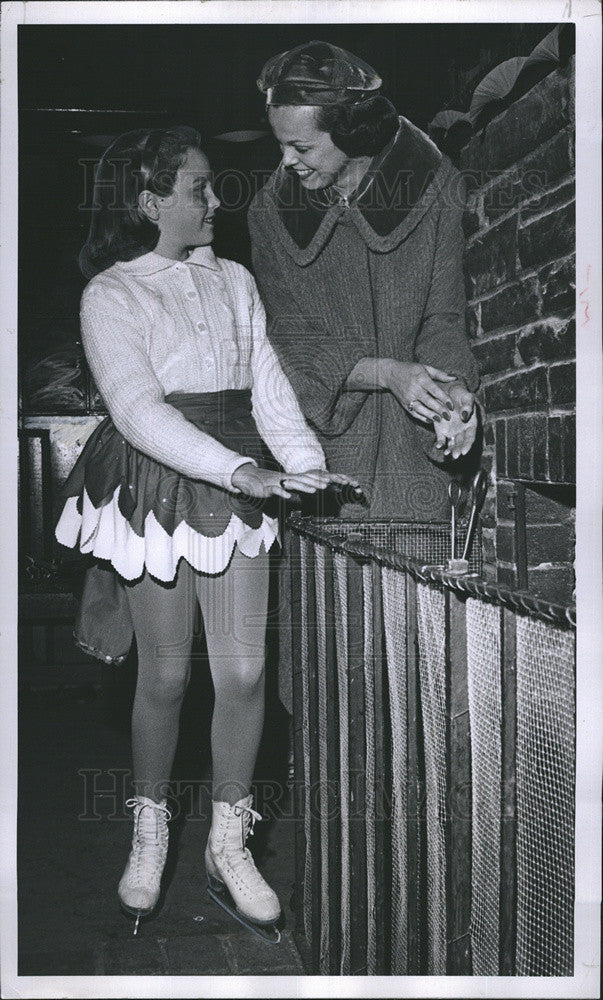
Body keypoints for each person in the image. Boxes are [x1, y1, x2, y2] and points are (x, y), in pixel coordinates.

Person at [54, 126, 357, 940]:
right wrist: (240, 472)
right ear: (150, 201)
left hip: (238, 483)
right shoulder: (112, 293)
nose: (214, 200)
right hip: (161, 482)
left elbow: (266, 383)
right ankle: (149, 832)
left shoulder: (235, 281)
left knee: (247, 671)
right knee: (164, 678)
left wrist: (301, 463)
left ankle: (230, 843)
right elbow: (137, 411)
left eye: (213, 187)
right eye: (197, 189)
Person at [248, 40, 481, 523]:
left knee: (419, 590)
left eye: (302, 146)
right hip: (326, 451)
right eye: (281, 145)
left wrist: (454, 394)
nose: (287, 160)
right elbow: (292, 339)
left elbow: (442, 317)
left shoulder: (436, 187)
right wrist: (388, 373)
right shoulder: (270, 215)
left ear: (351, 132)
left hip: (414, 450)